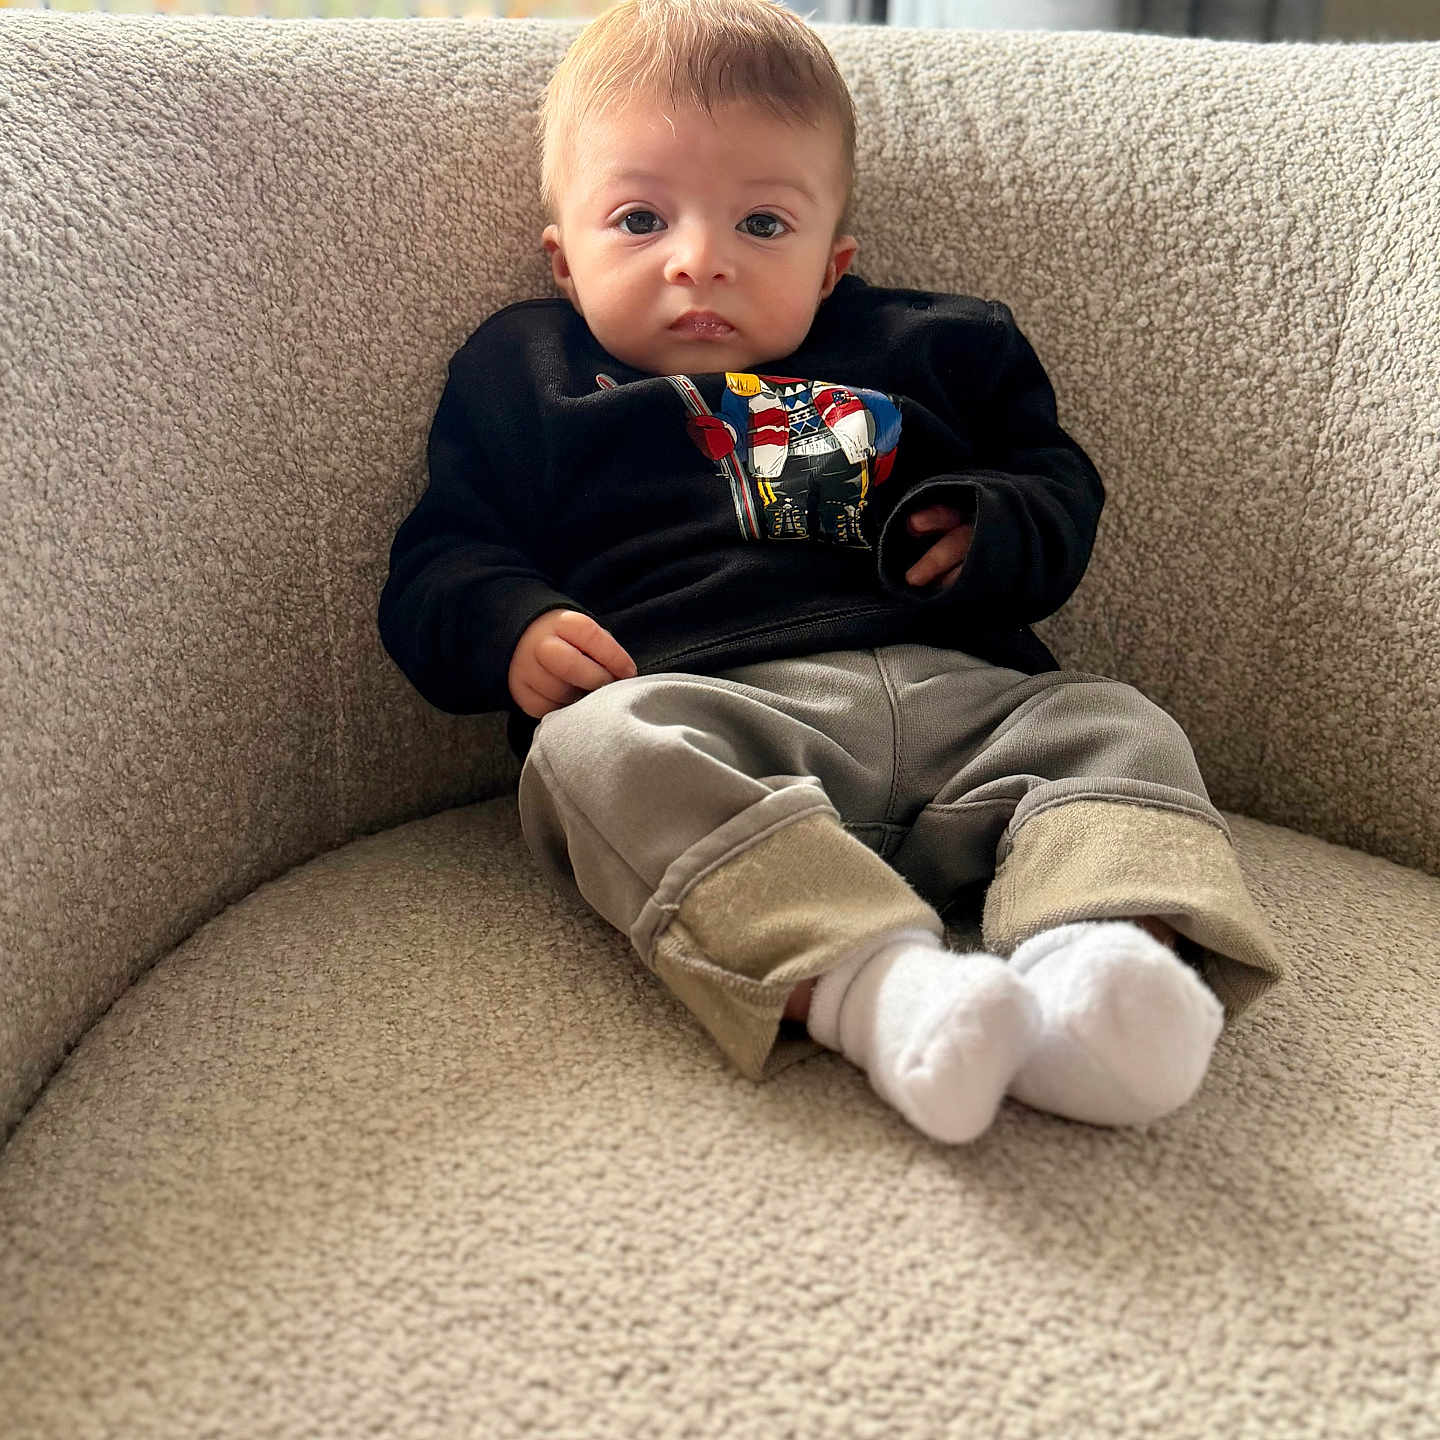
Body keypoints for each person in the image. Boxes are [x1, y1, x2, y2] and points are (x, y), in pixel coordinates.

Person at [379, 0, 1281, 1144]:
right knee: (587, 755)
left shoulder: (938, 345)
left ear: (833, 260)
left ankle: (1099, 971)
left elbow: (1060, 484)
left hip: (969, 702)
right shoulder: (527, 377)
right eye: (640, 218)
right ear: (563, 257)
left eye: (762, 223)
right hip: (708, 713)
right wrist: (508, 625)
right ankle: (878, 990)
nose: (698, 258)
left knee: (1118, 724)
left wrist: (993, 526)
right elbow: (438, 560)